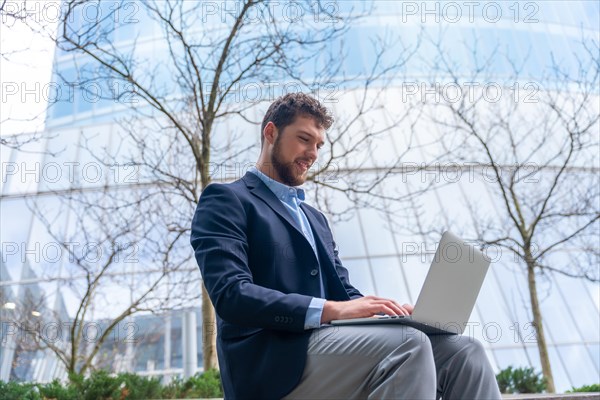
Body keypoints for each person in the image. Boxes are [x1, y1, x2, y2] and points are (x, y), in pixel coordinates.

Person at [190, 93, 501, 400]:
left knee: (465, 351)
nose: (312, 153)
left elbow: (344, 295)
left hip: (333, 347)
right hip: (269, 363)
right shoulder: (227, 199)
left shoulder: (315, 219)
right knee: (409, 344)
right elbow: (232, 294)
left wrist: (386, 314)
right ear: (271, 133)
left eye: (318, 145)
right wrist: (331, 310)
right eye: (303, 139)